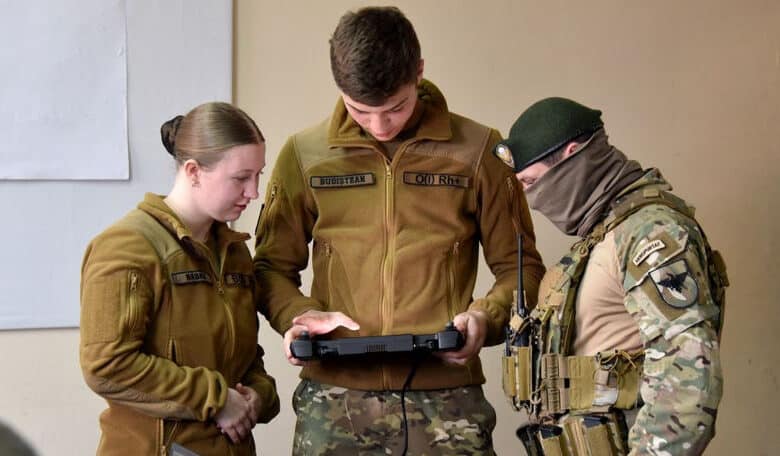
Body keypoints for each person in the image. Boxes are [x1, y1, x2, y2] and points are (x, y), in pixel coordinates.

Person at [253, 6, 545, 456]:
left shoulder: (479, 150)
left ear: (419, 73)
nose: (380, 125)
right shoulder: (304, 155)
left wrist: (485, 319)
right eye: (360, 111)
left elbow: (521, 270)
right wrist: (299, 315)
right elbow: (270, 267)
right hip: (334, 401)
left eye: (396, 108)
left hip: (447, 400)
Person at [496, 97, 727, 455]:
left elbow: (688, 380)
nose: (531, 198)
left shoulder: (650, 233)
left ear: (572, 157)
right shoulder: (603, 236)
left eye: (532, 181)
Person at [80, 102, 280, 455]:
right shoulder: (127, 247)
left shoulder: (234, 251)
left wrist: (256, 395)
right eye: (240, 178)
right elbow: (107, 366)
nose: (253, 192)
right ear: (193, 171)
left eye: (258, 175)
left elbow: (243, 355)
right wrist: (216, 399)